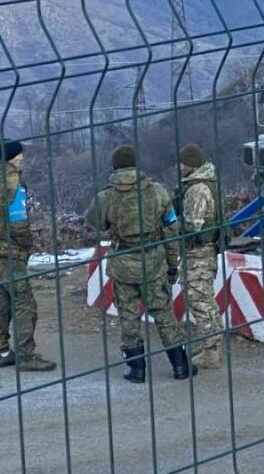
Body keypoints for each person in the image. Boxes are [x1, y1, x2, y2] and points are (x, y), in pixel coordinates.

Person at [87, 145, 195, 382]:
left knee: (128, 315)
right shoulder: (157, 191)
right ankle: (180, 365)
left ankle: (136, 369)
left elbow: (95, 223)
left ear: (115, 166)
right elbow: (171, 230)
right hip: (153, 261)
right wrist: (172, 264)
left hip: (122, 262)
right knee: (163, 313)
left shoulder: (105, 196)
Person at [0, 140, 55, 372]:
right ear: (11, 156)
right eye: (19, 154)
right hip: (11, 252)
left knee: (0, 303)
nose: (22, 158)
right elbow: (19, 221)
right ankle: (26, 355)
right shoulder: (13, 180)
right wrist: (25, 246)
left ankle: (1, 351)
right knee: (24, 303)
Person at [176, 143, 223, 369]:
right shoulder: (207, 183)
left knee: (200, 301)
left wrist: (170, 226)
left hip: (198, 253)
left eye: (182, 162)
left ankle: (211, 353)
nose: (179, 166)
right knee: (205, 300)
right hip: (204, 251)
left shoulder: (197, 189)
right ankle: (211, 347)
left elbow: (192, 225)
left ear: (190, 164)